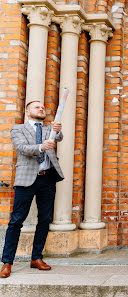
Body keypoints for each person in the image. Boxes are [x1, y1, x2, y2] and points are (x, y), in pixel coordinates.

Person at [0, 100, 64, 278]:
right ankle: (7, 262)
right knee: (16, 221)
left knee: (44, 220)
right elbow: (21, 148)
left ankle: (36, 258)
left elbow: (58, 137)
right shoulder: (18, 129)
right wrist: (40, 147)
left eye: (43, 107)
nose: (41, 108)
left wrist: (57, 130)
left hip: (47, 178)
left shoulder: (48, 128)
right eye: (37, 107)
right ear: (27, 112)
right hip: (25, 179)